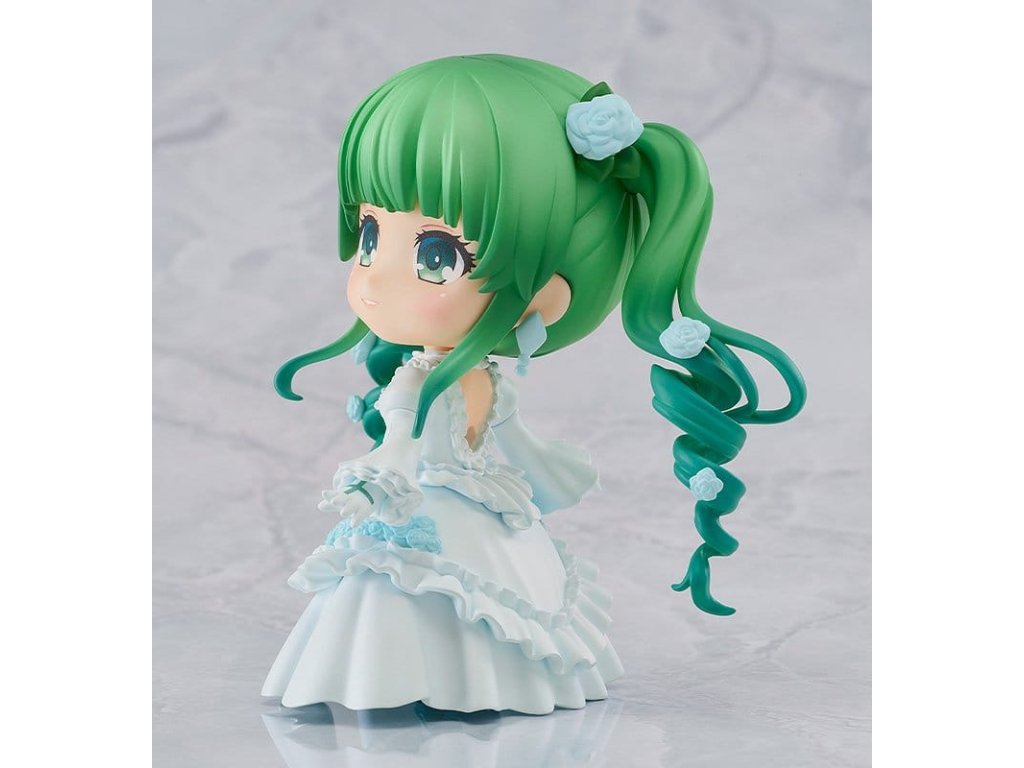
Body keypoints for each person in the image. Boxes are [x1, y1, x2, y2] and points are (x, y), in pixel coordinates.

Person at [262, 54, 806, 714]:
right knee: (415, 589)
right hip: (447, 507)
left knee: (438, 588)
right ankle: (418, 680)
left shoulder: (444, 381)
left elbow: (458, 439)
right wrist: (388, 477)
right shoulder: (425, 378)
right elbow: (425, 443)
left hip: (459, 506)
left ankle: (454, 684)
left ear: (548, 290)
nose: (374, 278)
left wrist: (395, 475)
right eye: (371, 235)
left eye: (436, 255)